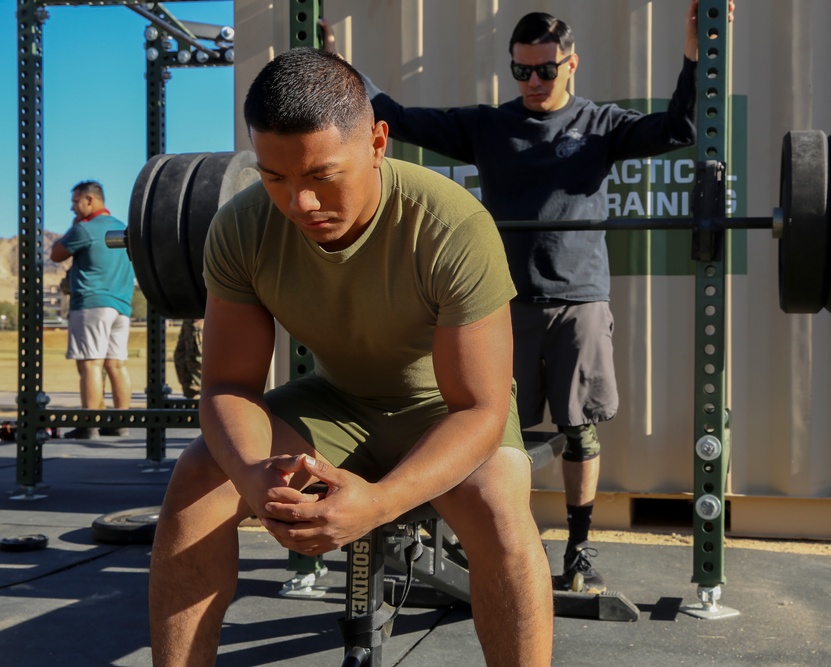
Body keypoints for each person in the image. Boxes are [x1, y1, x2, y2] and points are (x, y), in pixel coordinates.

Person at [148, 48, 552, 666]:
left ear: (377, 142)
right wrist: (255, 473)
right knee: (201, 474)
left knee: (499, 506)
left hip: (444, 408)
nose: (299, 204)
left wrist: (379, 503)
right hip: (337, 403)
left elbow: (480, 406)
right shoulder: (240, 229)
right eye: (275, 178)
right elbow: (228, 385)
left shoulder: (451, 224)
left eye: (321, 176)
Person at [321, 0, 735, 593]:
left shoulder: (601, 126)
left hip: (578, 302)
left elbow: (681, 129)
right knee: (485, 428)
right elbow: (395, 116)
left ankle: (580, 548)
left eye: (545, 69)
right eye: (522, 71)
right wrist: (338, 67)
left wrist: (697, 53)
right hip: (499, 306)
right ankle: (490, 543)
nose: (534, 82)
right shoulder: (489, 127)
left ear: (572, 65)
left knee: (579, 431)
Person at [50, 181, 134, 439]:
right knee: (116, 365)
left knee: (90, 364)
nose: (72, 207)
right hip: (121, 305)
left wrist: (75, 224)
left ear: (89, 200)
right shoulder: (121, 227)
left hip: (92, 304)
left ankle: (90, 423)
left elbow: (55, 254)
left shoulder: (85, 229)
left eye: (76, 202)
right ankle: (121, 421)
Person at [173, 319, 202, 399]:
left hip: (197, 318)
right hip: (188, 318)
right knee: (180, 357)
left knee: (195, 358)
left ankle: (198, 395)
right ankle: (190, 394)